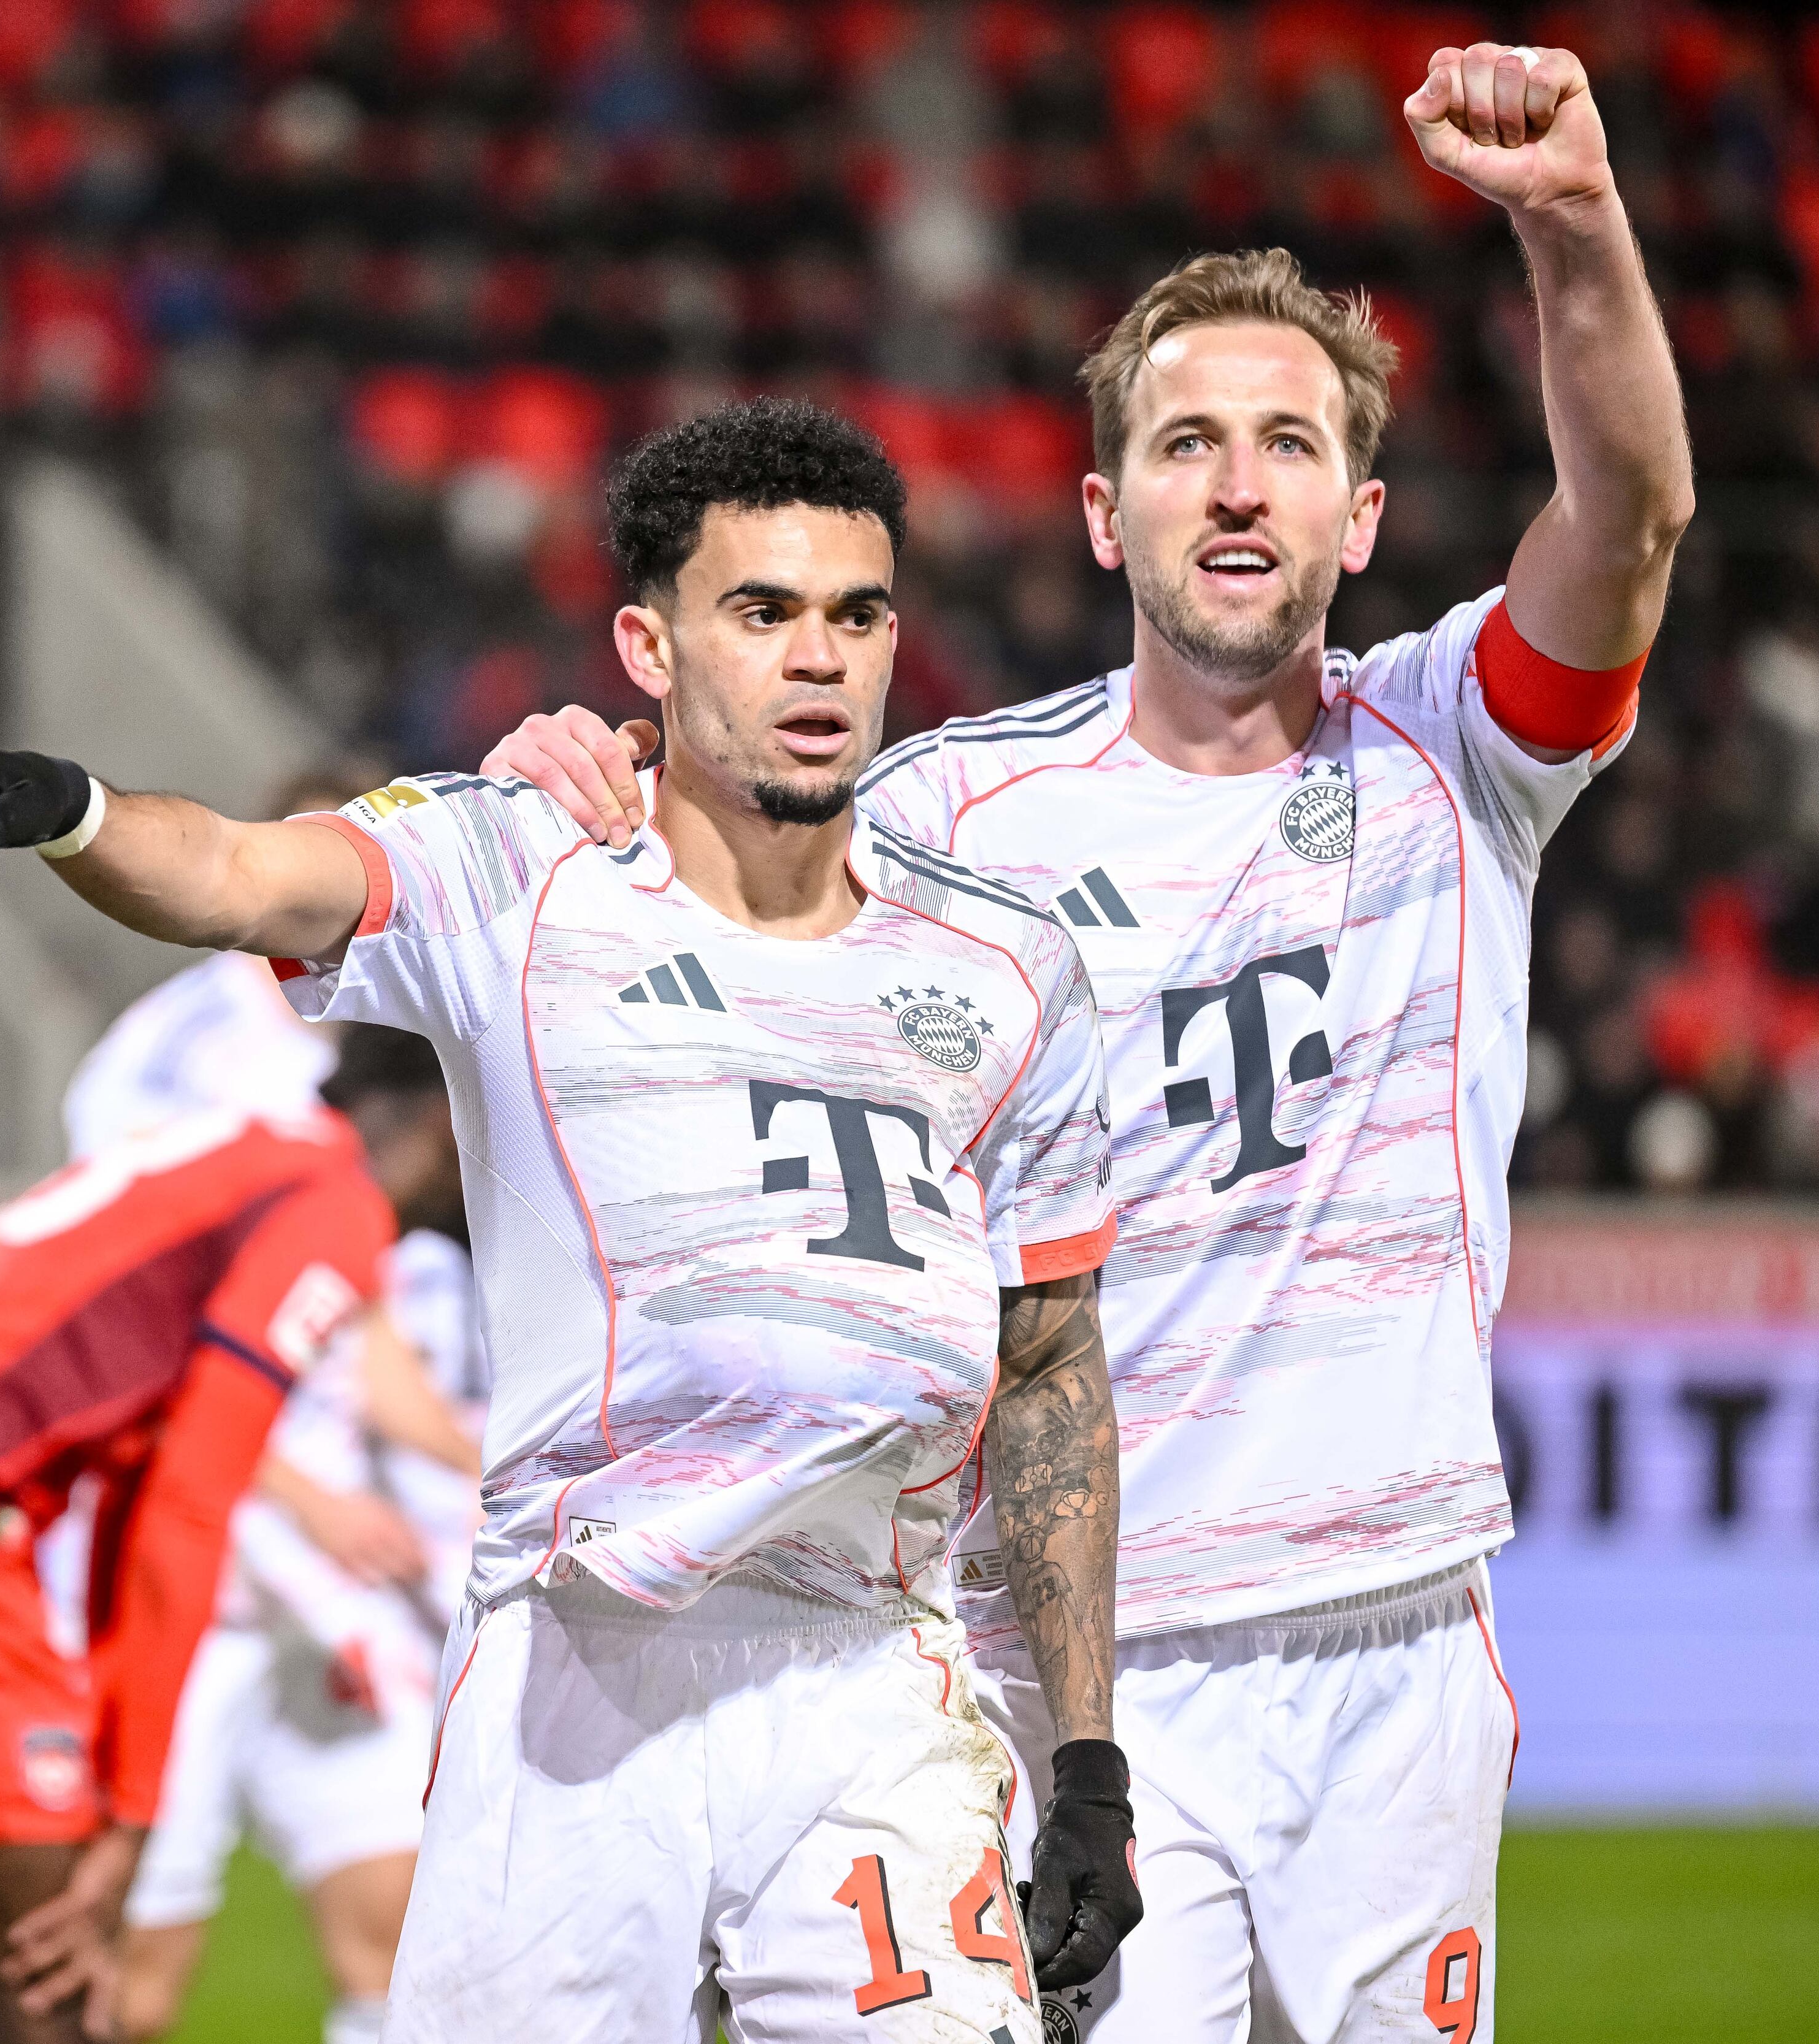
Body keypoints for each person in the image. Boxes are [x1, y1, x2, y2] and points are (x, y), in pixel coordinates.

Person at [480, 45, 1693, 2044]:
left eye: (1290, 445)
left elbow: (1633, 513)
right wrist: (571, 770)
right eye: (1189, 443)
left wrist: (1569, 214)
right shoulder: (945, 813)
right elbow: (666, 868)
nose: (1238, 482)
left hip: (1402, 1641)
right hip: (1076, 1666)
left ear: (1363, 515)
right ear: (1104, 514)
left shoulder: (1459, 752)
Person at [0, 397, 1141, 2042]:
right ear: (650, 644)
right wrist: (75, 812)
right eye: (762, 611)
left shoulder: (1009, 962)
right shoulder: (518, 869)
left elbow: (1048, 1366)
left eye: (857, 614)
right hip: (578, 1661)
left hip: (870, 1671)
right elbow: (250, 873)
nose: (819, 656)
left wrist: (1089, 1761)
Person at [0, 1035, 463, 2044]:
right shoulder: (333, 1203)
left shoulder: (251, 1153)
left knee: (43, 1997)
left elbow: (142, 1492)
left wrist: (118, 1769)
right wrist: (135, 1815)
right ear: (447, 1117)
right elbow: (188, 1504)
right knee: (63, 2002)